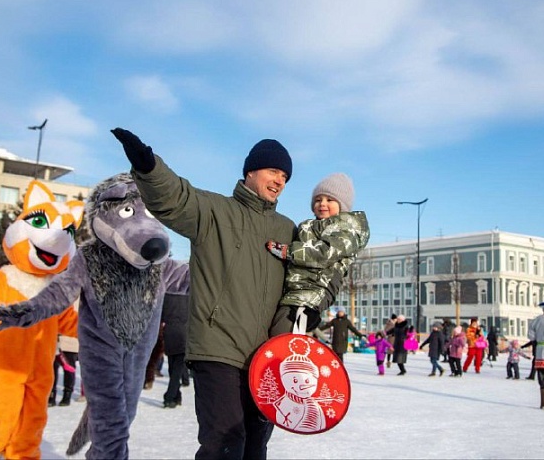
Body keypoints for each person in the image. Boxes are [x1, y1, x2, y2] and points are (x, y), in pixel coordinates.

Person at [112, 127, 296, 459]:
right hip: (218, 348)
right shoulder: (213, 212)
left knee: (256, 444)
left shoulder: (287, 229)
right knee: (225, 441)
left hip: (266, 356)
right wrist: (148, 165)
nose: (279, 180)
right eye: (273, 171)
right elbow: (176, 197)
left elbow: (304, 282)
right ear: (250, 171)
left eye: (285, 175)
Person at [266, 172, 370, 336]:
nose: (322, 204)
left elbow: (325, 253)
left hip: (313, 292)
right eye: (318, 199)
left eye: (330, 200)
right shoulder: (309, 226)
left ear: (343, 205)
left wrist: (288, 251)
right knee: (277, 329)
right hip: (295, 291)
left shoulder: (347, 228)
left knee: (284, 336)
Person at [161, 292, 189, 409]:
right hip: (184, 333)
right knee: (177, 368)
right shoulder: (189, 295)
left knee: (173, 366)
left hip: (170, 331)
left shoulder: (167, 295)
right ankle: (171, 396)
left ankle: (176, 396)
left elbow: (162, 316)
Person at [49, 333, 79, 407]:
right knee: (52, 370)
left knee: (69, 370)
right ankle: (51, 395)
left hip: (70, 344)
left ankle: (67, 395)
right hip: (55, 343)